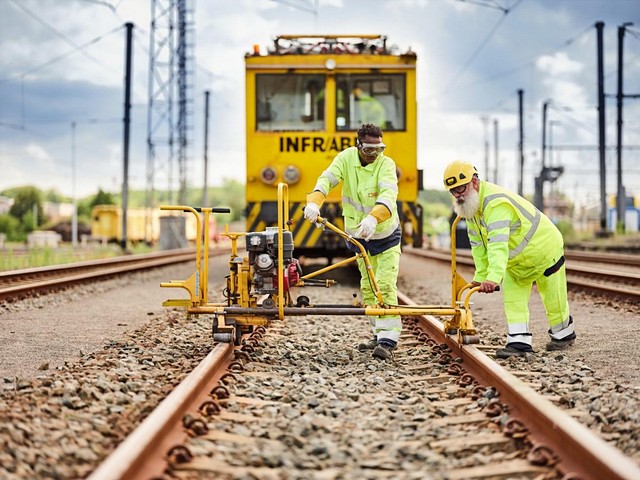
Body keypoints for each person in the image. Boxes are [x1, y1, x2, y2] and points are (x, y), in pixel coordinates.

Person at [443, 160, 576, 359]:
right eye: (453, 191)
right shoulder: (471, 209)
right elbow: (478, 246)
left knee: (553, 296)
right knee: (512, 298)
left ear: (475, 183)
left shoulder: (496, 203)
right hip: (517, 260)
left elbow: (497, 244)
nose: (459, 195)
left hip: (544, 249)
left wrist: (493, 278)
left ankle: (563, 334)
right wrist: (481, 276)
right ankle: (519, 343)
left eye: (461, 188)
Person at [304, 123, 401, 361]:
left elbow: (389, 194)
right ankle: (378, 335)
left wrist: (373, 218)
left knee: (385, 285)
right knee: (368, 288)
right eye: (369, 149)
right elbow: (326, 179)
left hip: (385, 235)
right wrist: (314, 202)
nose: (375, 154)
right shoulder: (346, 158)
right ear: (358, 145)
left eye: (379, 149)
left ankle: (389, 340)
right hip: (359, 239)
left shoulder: (386, 164)